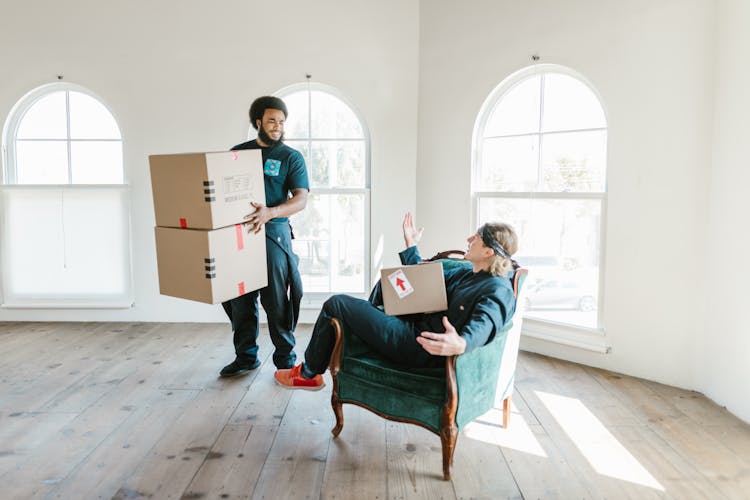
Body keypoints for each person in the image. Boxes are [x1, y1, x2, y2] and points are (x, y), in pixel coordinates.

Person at [274, 212, 518, 390]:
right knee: (388, 284)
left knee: (336, 303)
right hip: (413, 324)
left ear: (488, 252)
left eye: (475, 238)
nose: (468, 239)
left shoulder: (497, 289)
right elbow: (423, 280)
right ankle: (359, 341)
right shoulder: (468, 271)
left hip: (416, 345)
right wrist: (411, 244)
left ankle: (308, 373)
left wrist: (462, 343)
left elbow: (487, 322)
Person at [220, 96, 310, 377]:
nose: (278, 127)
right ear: (258, 122)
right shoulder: (237, 154)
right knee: (240, 299)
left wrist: (270, 213)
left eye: (282, 122)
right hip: (240, 237)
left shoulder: (290, 157)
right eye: (272, 120)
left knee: (277, 302)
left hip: (274, 235)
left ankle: (285, 359)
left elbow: (301, 200)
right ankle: (245, 357)